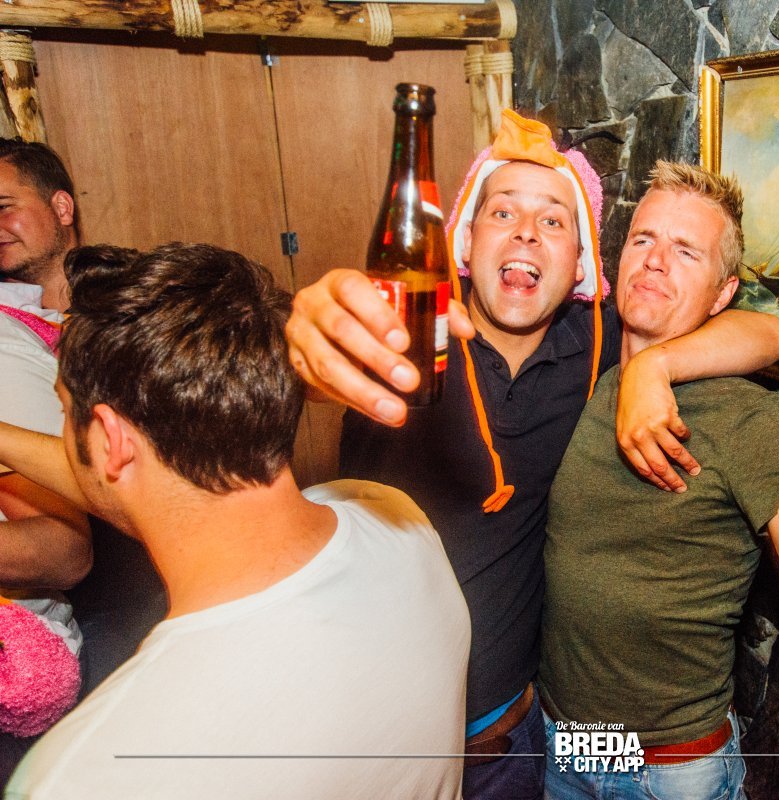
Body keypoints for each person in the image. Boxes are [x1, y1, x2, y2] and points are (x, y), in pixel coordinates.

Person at [286, 111, 779, 799]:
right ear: (466, 240)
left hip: (528, 746)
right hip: (382, 750)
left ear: (581, 265)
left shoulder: (599, 345)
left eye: (554, 220)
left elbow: (771, 333)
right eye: (503, 212)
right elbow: (322, 359)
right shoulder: (406, 342)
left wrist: (656, 366)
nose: (526, 231)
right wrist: (304, 342)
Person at [4, 243, 470, 800]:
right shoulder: (397, 522)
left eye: (64, 411)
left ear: (109, 439)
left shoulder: (82, 775)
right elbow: (145, 481)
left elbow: (134, 485)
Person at [538, 162, 779, 800]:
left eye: (686, 251)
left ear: (722, 295)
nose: (655, 260)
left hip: (669, 771)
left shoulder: (751, 419)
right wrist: (644, 370)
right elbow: (771, 331)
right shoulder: (590, 366)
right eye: (643, 239)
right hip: (565, 747)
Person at [0, 138, 89, 780]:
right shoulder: (6, 339)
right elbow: (63, 548)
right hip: (69, 613)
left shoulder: (115, 301)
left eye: (4, 206)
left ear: (61, 207)